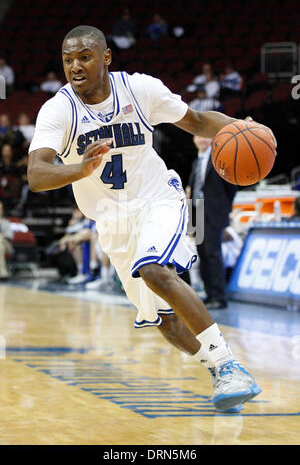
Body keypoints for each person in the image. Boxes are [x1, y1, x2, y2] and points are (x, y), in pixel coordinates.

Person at [27, 25, 275, 412]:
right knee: (164, 321)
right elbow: (37, 174)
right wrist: (79, 169)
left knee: (156, 269)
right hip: (112, 222)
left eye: (85, 57)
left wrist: (242, 128)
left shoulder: (139, 89)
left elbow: (194, 120)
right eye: (68, 59)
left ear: (106, 57)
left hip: (157, 198)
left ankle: (228, 364)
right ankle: (219, 368)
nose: (75, 66)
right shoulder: (58, 109)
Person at [186, 136, 237, 309]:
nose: (201, 139)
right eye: (198, 136)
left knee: (213, 253)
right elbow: (192, 190)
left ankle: (219, 297)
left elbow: (231, 186)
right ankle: (209, 294)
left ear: (211, 139)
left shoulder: (218, 159)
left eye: (205, 136)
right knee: (202, 254)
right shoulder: (196, 161)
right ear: (193, 140)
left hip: (214, 213)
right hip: (198, 211)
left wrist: (224, 209)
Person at [0, 200, 13, 280]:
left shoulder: (6, 222)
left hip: (7, 246)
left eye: (0, 208)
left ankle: (2, 272)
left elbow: (10, 236)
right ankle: (2, 272)